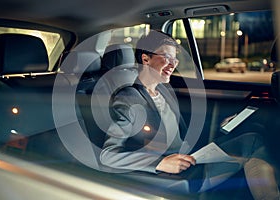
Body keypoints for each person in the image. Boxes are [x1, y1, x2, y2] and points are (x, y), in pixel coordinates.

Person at [100, 30, 279, 199]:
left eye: (175, 59)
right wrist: (159, 163)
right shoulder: (128, 98)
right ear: (145, 59)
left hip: (191, 155)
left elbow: (179, 131)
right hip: (174, 171)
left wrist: (218, 126)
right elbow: (108, 155)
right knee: (253, 142)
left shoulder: (164, 90)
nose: (173, 64)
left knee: (254, 133)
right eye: (166, 57)